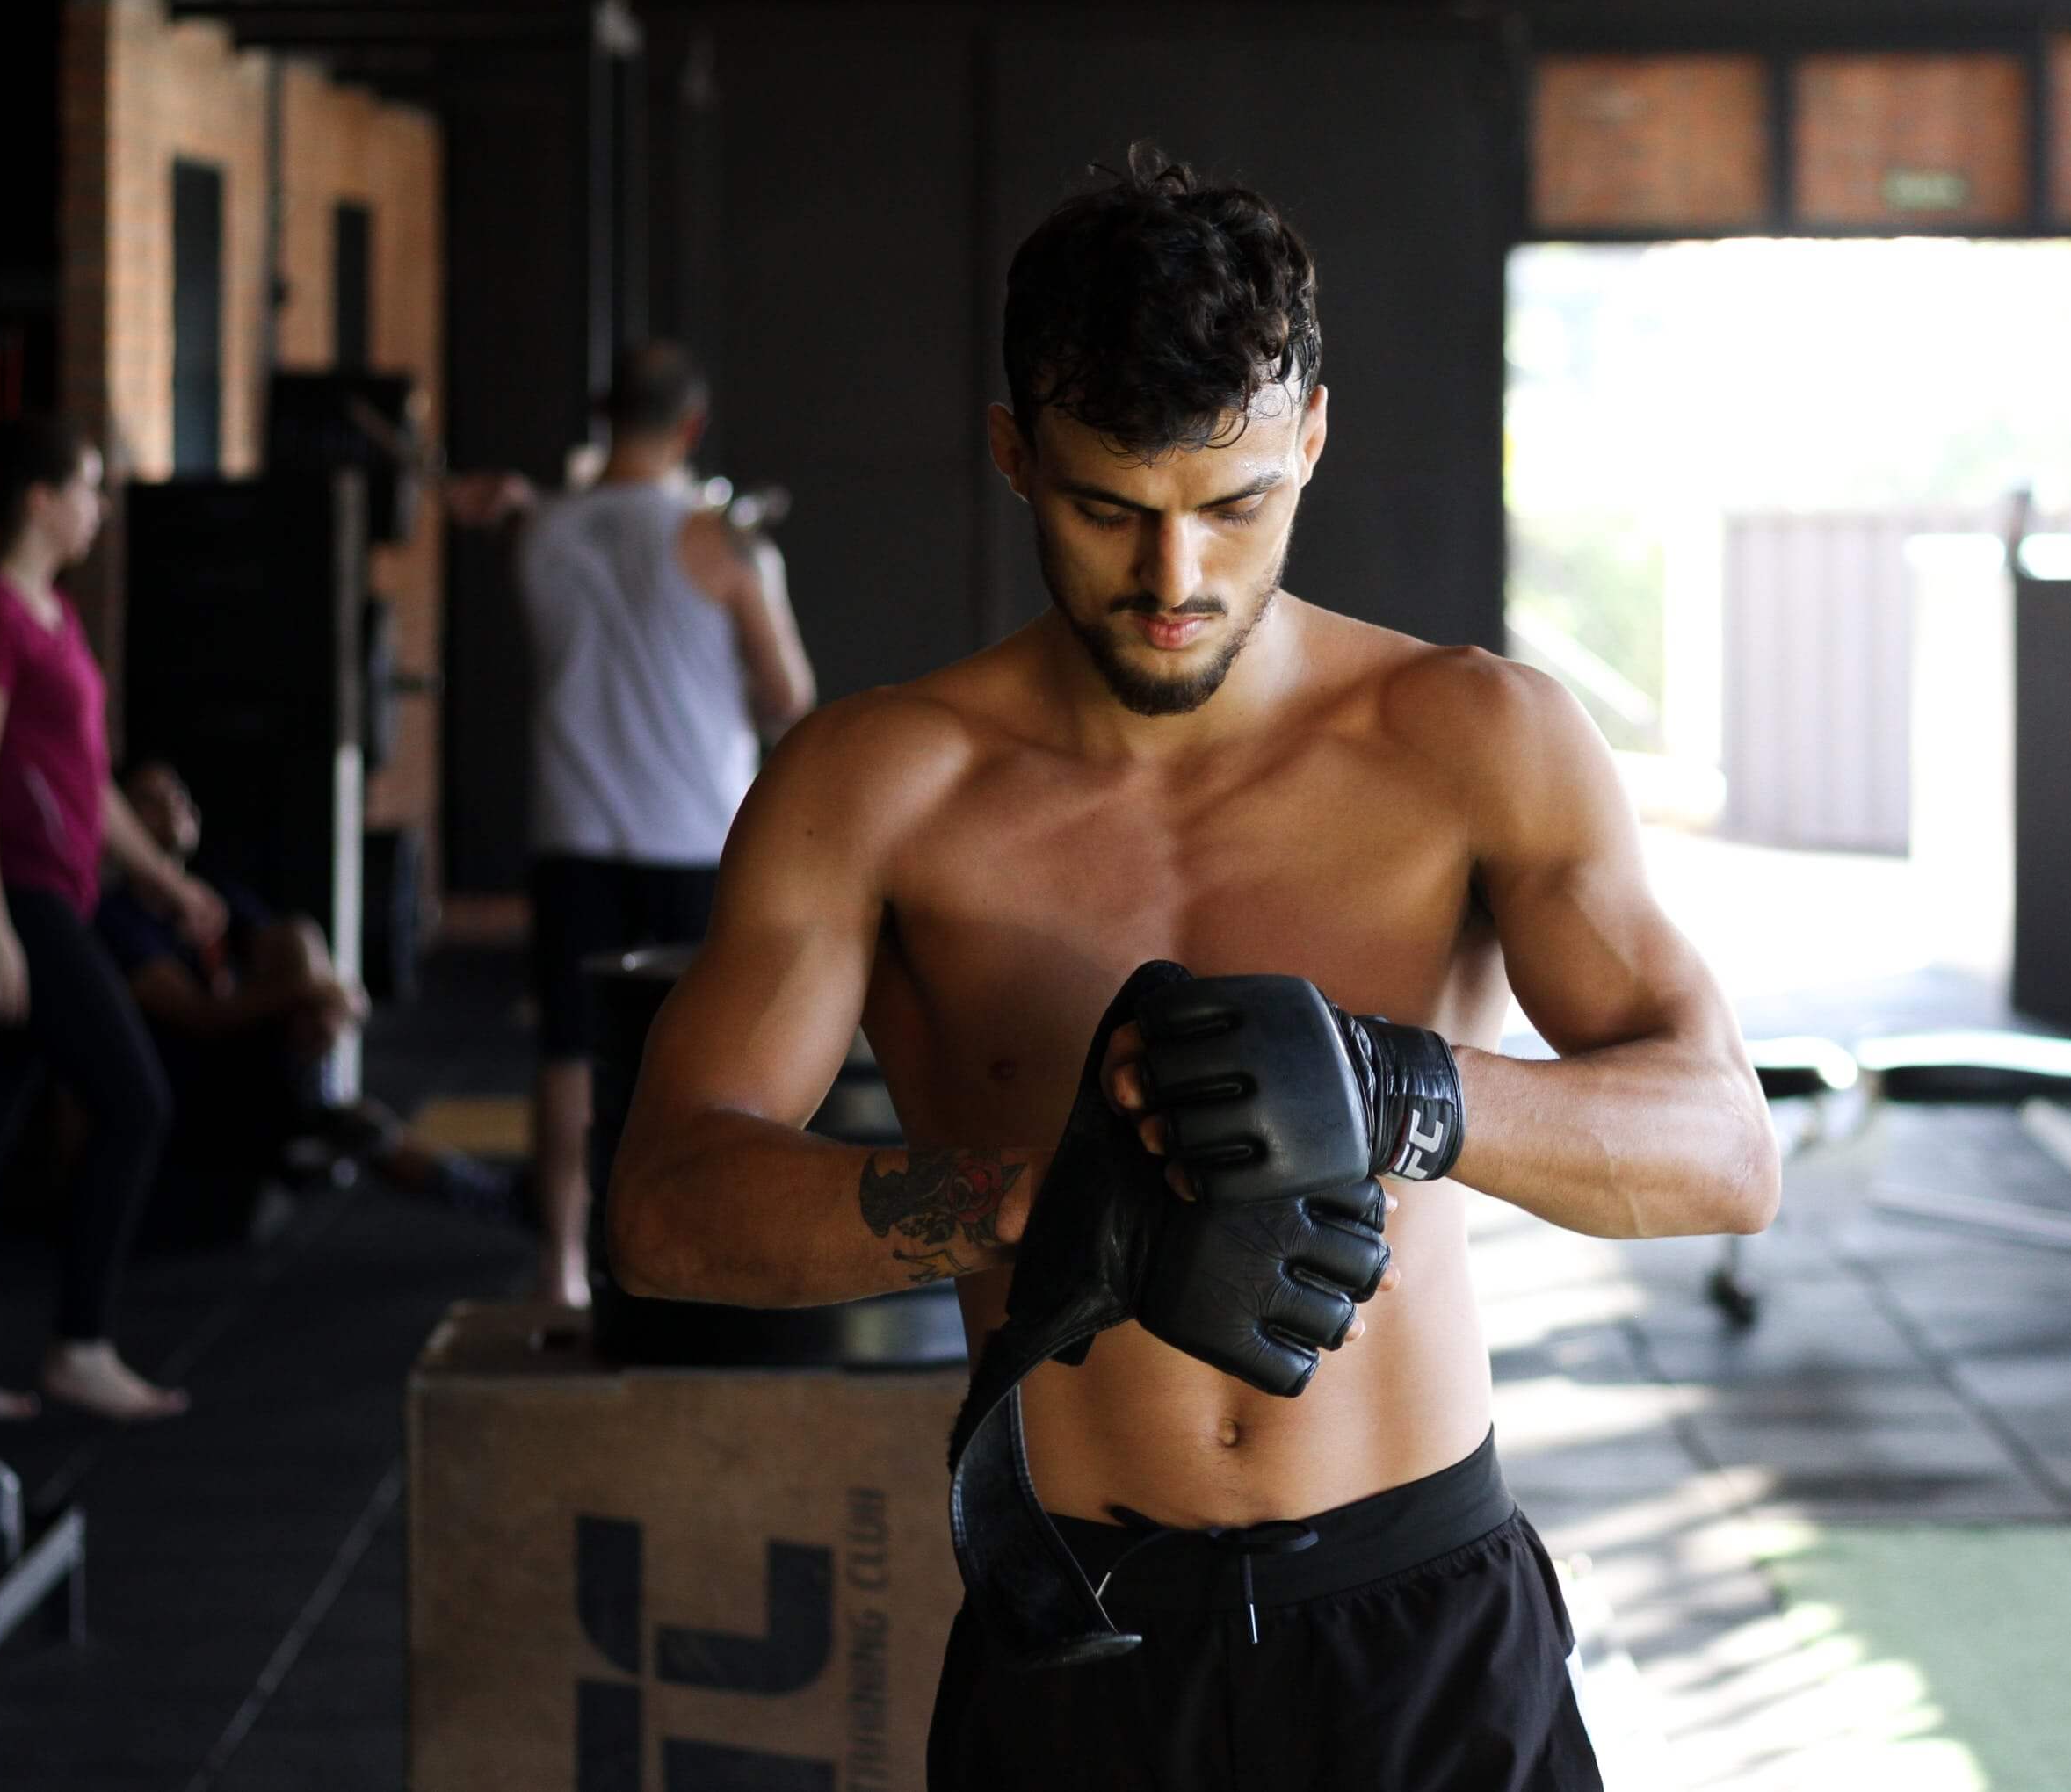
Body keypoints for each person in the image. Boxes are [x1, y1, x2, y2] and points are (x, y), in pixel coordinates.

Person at [605, 149, 1774, 1788]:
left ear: (1309, 435)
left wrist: (1403, 1089)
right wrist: (1039, 1207)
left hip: (1421, 1628)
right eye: (1109, 510)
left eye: (1234, 507)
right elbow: (662, 1216)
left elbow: (1725, 1151)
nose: (1176, 583)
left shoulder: (1477, 740)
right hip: (1084, 1645)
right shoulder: (875, 787)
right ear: (1016, 455)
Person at [506, 342, 816, 1307]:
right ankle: (700, 1259)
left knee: (569, 1051)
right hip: (696, 837)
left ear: (605, 416)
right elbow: (788, 697)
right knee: (706, 1057)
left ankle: (561, 1263)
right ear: (691, 425)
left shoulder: (542, 535)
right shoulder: (722, 544)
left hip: (574, 833)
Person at [0, 415, 215, 1422]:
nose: (100, 507)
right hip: (14, 899)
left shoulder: (52, 617)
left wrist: (163, 882)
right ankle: (81, 1342)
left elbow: (88, 788)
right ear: (41, 500)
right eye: (90, 487)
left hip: (59, 893)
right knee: (136, 1102)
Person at [98, 762, 518, 1225]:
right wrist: (313, 991)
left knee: (298, 938)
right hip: (187, 1091)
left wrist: (321, 999)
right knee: (359, 1122)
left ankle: (495, 1196)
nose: (174, 804)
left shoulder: (217, 897)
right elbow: (199, 1016)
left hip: (259, 1071)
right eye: (151, 800)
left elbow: (295, 955)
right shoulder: (120, 919)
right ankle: (319, 1108)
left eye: (177, 793)